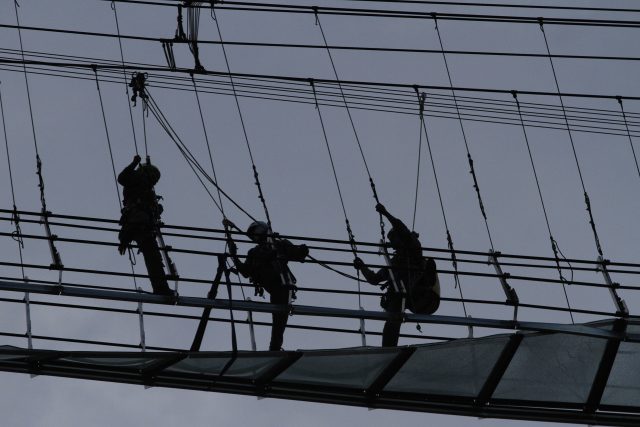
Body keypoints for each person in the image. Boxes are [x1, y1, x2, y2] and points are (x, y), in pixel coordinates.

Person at [354, 203, 440, 347]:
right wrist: (362, 267)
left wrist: (386, 213)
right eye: (392, 241)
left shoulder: (414, 249)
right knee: (394, 312)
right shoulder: (393, 265)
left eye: (395, 239)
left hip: (426, 294)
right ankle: (388, 350)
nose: (393, 243)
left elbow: (401, 228)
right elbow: (374, 279)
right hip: (409, 298)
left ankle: (401, 295)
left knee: (399, 294)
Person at [225, 219, 308, 351]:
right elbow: (246, 272)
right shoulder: (254, 253)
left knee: (279, 320)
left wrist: (302, 251)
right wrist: (234, 256)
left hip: (282, 285)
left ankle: (274, 348)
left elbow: (295, 253)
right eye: (253, 235)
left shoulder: (278, 244)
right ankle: (274, 348)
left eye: (256, 232)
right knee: (278, 318)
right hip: (272, 286)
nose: (255, 236)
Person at [117, 154, 174, 296]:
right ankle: (161, 288)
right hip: (138, 222)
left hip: (139, 223)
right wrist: (134, 163)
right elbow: (122, 178)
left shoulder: (145, 187)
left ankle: (161, 287)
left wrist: (156, 208)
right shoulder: (138, 179)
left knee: (153, 256)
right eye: (153, 177)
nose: (154, 181)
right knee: (153, 256)